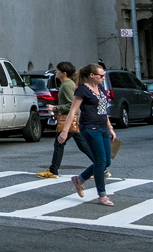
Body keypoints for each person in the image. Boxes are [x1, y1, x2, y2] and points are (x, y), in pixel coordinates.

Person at [59, 62, 117, 206]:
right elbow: (73, 111)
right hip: (89, 128)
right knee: (100, 161)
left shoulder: (101, 89)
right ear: (92, 75)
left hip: (103, 127)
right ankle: (102, 196)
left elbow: (104, 111)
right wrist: (65, 132)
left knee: (106, 161)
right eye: (101, 76)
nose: (103, 78)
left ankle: (79, 179)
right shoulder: (82, 90)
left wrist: (110, 128)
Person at [36, 61, 93, 179]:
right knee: (79, 145)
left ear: (64, 73)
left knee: (60, 144)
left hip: (70, 119)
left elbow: (72, 104)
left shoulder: (67, 85)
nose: (56, 72)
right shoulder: (67, 84)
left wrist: (56, 108)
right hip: (72, 119)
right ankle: (101, 167)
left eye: (58, 71)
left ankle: (53, 171)